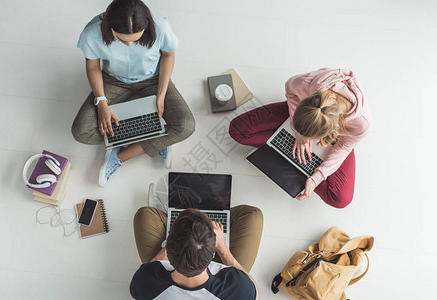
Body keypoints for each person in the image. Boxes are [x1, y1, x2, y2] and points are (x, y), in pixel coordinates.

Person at [71, 0, 195, 187]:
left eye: (135, 40)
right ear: (108, 26)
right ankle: (160, 138)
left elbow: (169, 55)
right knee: (81, 132)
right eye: (121, 39)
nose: (129, 45)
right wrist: (102, 102)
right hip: (113, 81)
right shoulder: (91, 33)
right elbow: (93, 66)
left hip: (153, 79)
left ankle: (120, 154)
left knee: (186, 125)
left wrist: (161, 94)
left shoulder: (161, 26)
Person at [229, 68, 371, 208]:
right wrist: (299, 133)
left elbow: (344, 147)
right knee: (237, 131)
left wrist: (316, 179)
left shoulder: (361, 124)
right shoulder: (306, 84)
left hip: (339, 142)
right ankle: (292, 141)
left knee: (340, 199)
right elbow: (290, 89)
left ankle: (294, 152)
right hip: (302, 116)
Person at [130, 206, 263, 299]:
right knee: (252, 214)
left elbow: (135, 295)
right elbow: (255, 293)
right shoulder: (237, 286)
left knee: (145, 214)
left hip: (175, 262)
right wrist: (223, 249)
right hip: (209, 263)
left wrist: (173, 243)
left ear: (169, 253)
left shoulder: (144, 280)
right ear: (213, 254)